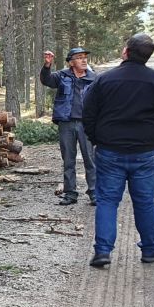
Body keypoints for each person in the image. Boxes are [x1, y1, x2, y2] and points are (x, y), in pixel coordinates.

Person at [82, 34, 154, 267]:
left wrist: (96, 138)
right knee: (145, 201)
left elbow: (88, 113)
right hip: (145, 151)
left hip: (109, 150)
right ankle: (150, 249)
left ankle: (103, 252)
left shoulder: (104, 80)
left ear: (126, 51)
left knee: (107, 200)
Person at [39, 47, 97, 205]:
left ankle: (94, 193)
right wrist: (47, 65)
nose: (84, 60)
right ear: (71, 62)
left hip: (86, 124)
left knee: (90, 159)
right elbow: (46, 80)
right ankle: (70, 194)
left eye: (85, 57)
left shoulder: (94, 78)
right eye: (79, 57)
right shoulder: (62, 76)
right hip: (66, 123)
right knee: (68, 160)